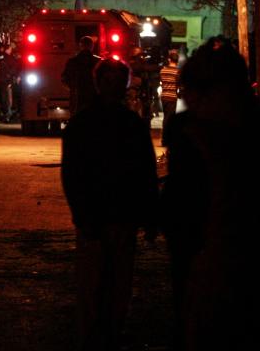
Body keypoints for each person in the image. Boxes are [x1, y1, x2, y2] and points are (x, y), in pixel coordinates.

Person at [160, 39, 260, 350]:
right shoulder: (195, 137)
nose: (191, 103)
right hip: (219, 289)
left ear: (219, 93)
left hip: (250, 294)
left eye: (195, 95)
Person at [61, 59, 159, 351]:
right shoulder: (115, 124)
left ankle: (103, 335)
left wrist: (148, 213)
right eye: (110, 80)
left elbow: (145, 172)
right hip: (104, 216)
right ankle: (100, 336)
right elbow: (72, 172)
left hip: (116, 216)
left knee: (109, 284)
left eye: (117, 81)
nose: (113, 86)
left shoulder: (91, 122)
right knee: (105, 283)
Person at [62, 36, 101, 116]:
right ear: (92, 46)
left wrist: (73, 88)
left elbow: (64, 79)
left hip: (77, 100)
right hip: (95, 100)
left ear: (80, 46)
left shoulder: (72, 62)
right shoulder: (98, 62)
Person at [159, 49, 181, 133]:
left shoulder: (162, 70)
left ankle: (165, 137)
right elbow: (179, 84)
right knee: (169, 119)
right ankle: (165, 138)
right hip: (172, 97)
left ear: (169, 59)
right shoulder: (177, 72)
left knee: (166, 117)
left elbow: (162, 82)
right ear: (177, 60)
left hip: (164, 96)